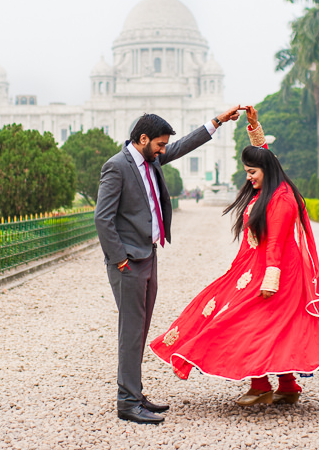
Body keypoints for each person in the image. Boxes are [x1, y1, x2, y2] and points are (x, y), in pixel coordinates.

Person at [149, 106, 319, 407]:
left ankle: (261, 385)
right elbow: (266, 157)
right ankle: (286, 385)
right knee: (271, 326)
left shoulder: (282, 198)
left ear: (267, 171)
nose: (248, 178)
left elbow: (275, 242)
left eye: (252, 172)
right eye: (248, 172)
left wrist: (271, 277)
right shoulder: (270, 189)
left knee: (247, 322)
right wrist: (254, 127)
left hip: (275, 273)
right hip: (252, 267)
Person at [96, 107, 243, 425]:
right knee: (131, 331)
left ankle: (134, 393)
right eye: (160, 144)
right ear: (143, 139)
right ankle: (127, 402)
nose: (164, 150)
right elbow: (102, 218)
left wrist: (216, 122)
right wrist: (119, 258)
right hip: (128, 262)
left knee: (140, 328)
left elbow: (184, 145)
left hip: (148, 255)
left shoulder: (151, 159)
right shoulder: (116, 167)